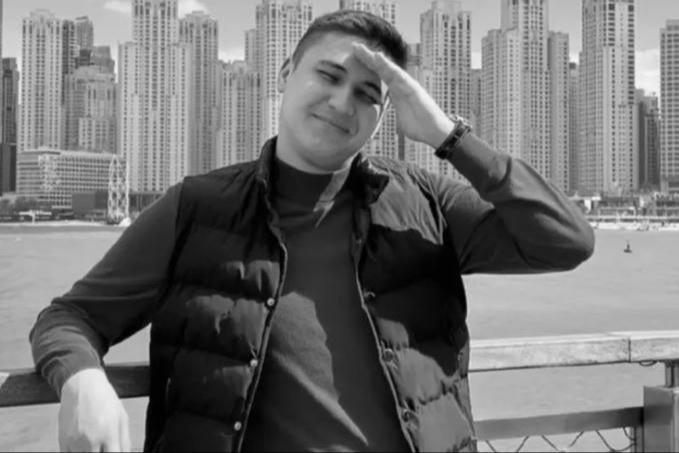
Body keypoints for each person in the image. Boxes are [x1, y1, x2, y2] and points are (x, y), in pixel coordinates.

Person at [30, 9, 595, 453]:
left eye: (368, 95)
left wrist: (449, 136)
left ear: (386, 115)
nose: (342, 102)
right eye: (328, 75)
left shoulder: (427, 204)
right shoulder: (196, 209)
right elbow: (69, 317)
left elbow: (566, 240)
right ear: (285, 74)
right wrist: (83, 381)